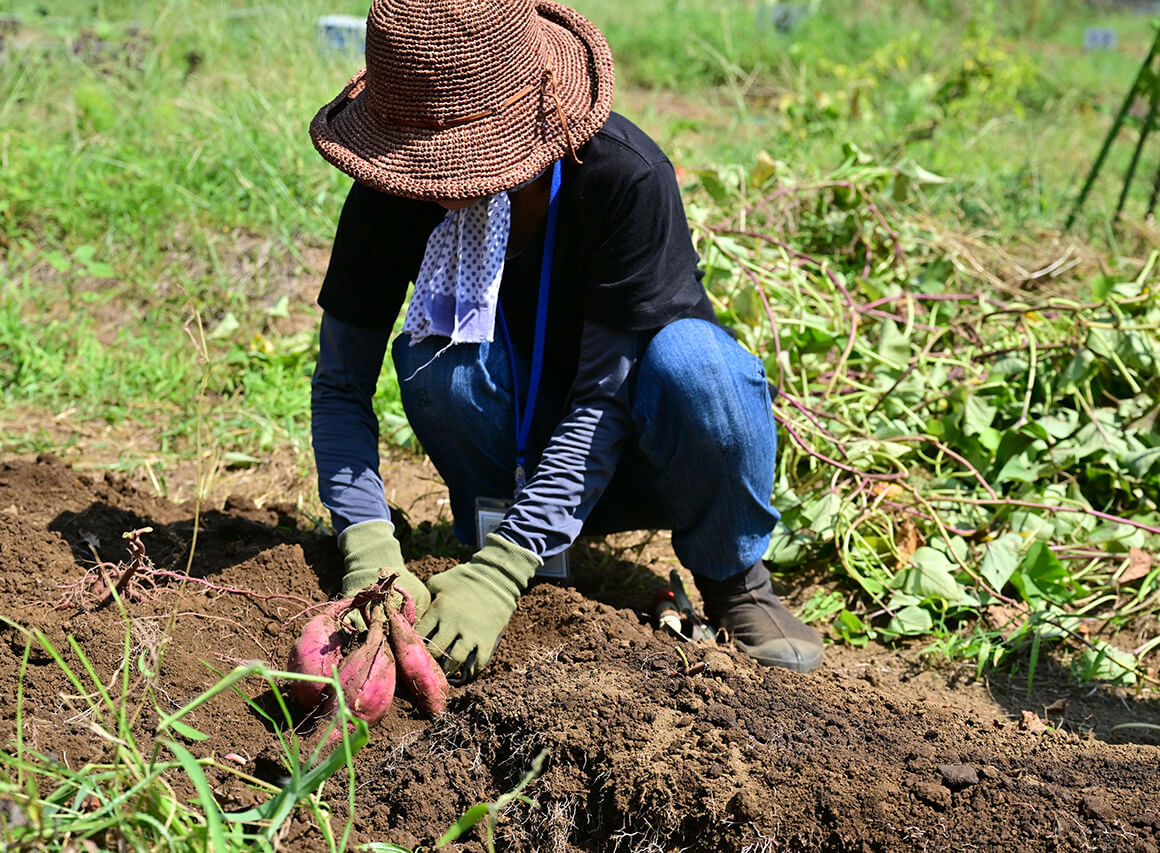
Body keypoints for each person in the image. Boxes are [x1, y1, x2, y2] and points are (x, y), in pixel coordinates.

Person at [308, 0, 823, 682]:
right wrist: (370, 546)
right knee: (435, 354)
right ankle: (498, 537)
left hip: (644, 450)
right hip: (504, 456)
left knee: (699, 364)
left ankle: (733, 575)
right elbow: (342, 382)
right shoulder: (395, 186)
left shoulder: (621, 176)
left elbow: (605, 401)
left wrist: (507, 566)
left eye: (457, 161)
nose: (439, 186)